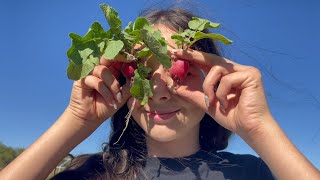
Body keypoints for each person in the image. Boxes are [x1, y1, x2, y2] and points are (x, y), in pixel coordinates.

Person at [0, 7, 319, 180]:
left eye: (179, 70)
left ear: (212, 74)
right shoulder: (87, 174)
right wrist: (75, 121)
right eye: (140, 72)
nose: (160, 92)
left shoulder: (251, 173)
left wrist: (260, 129)